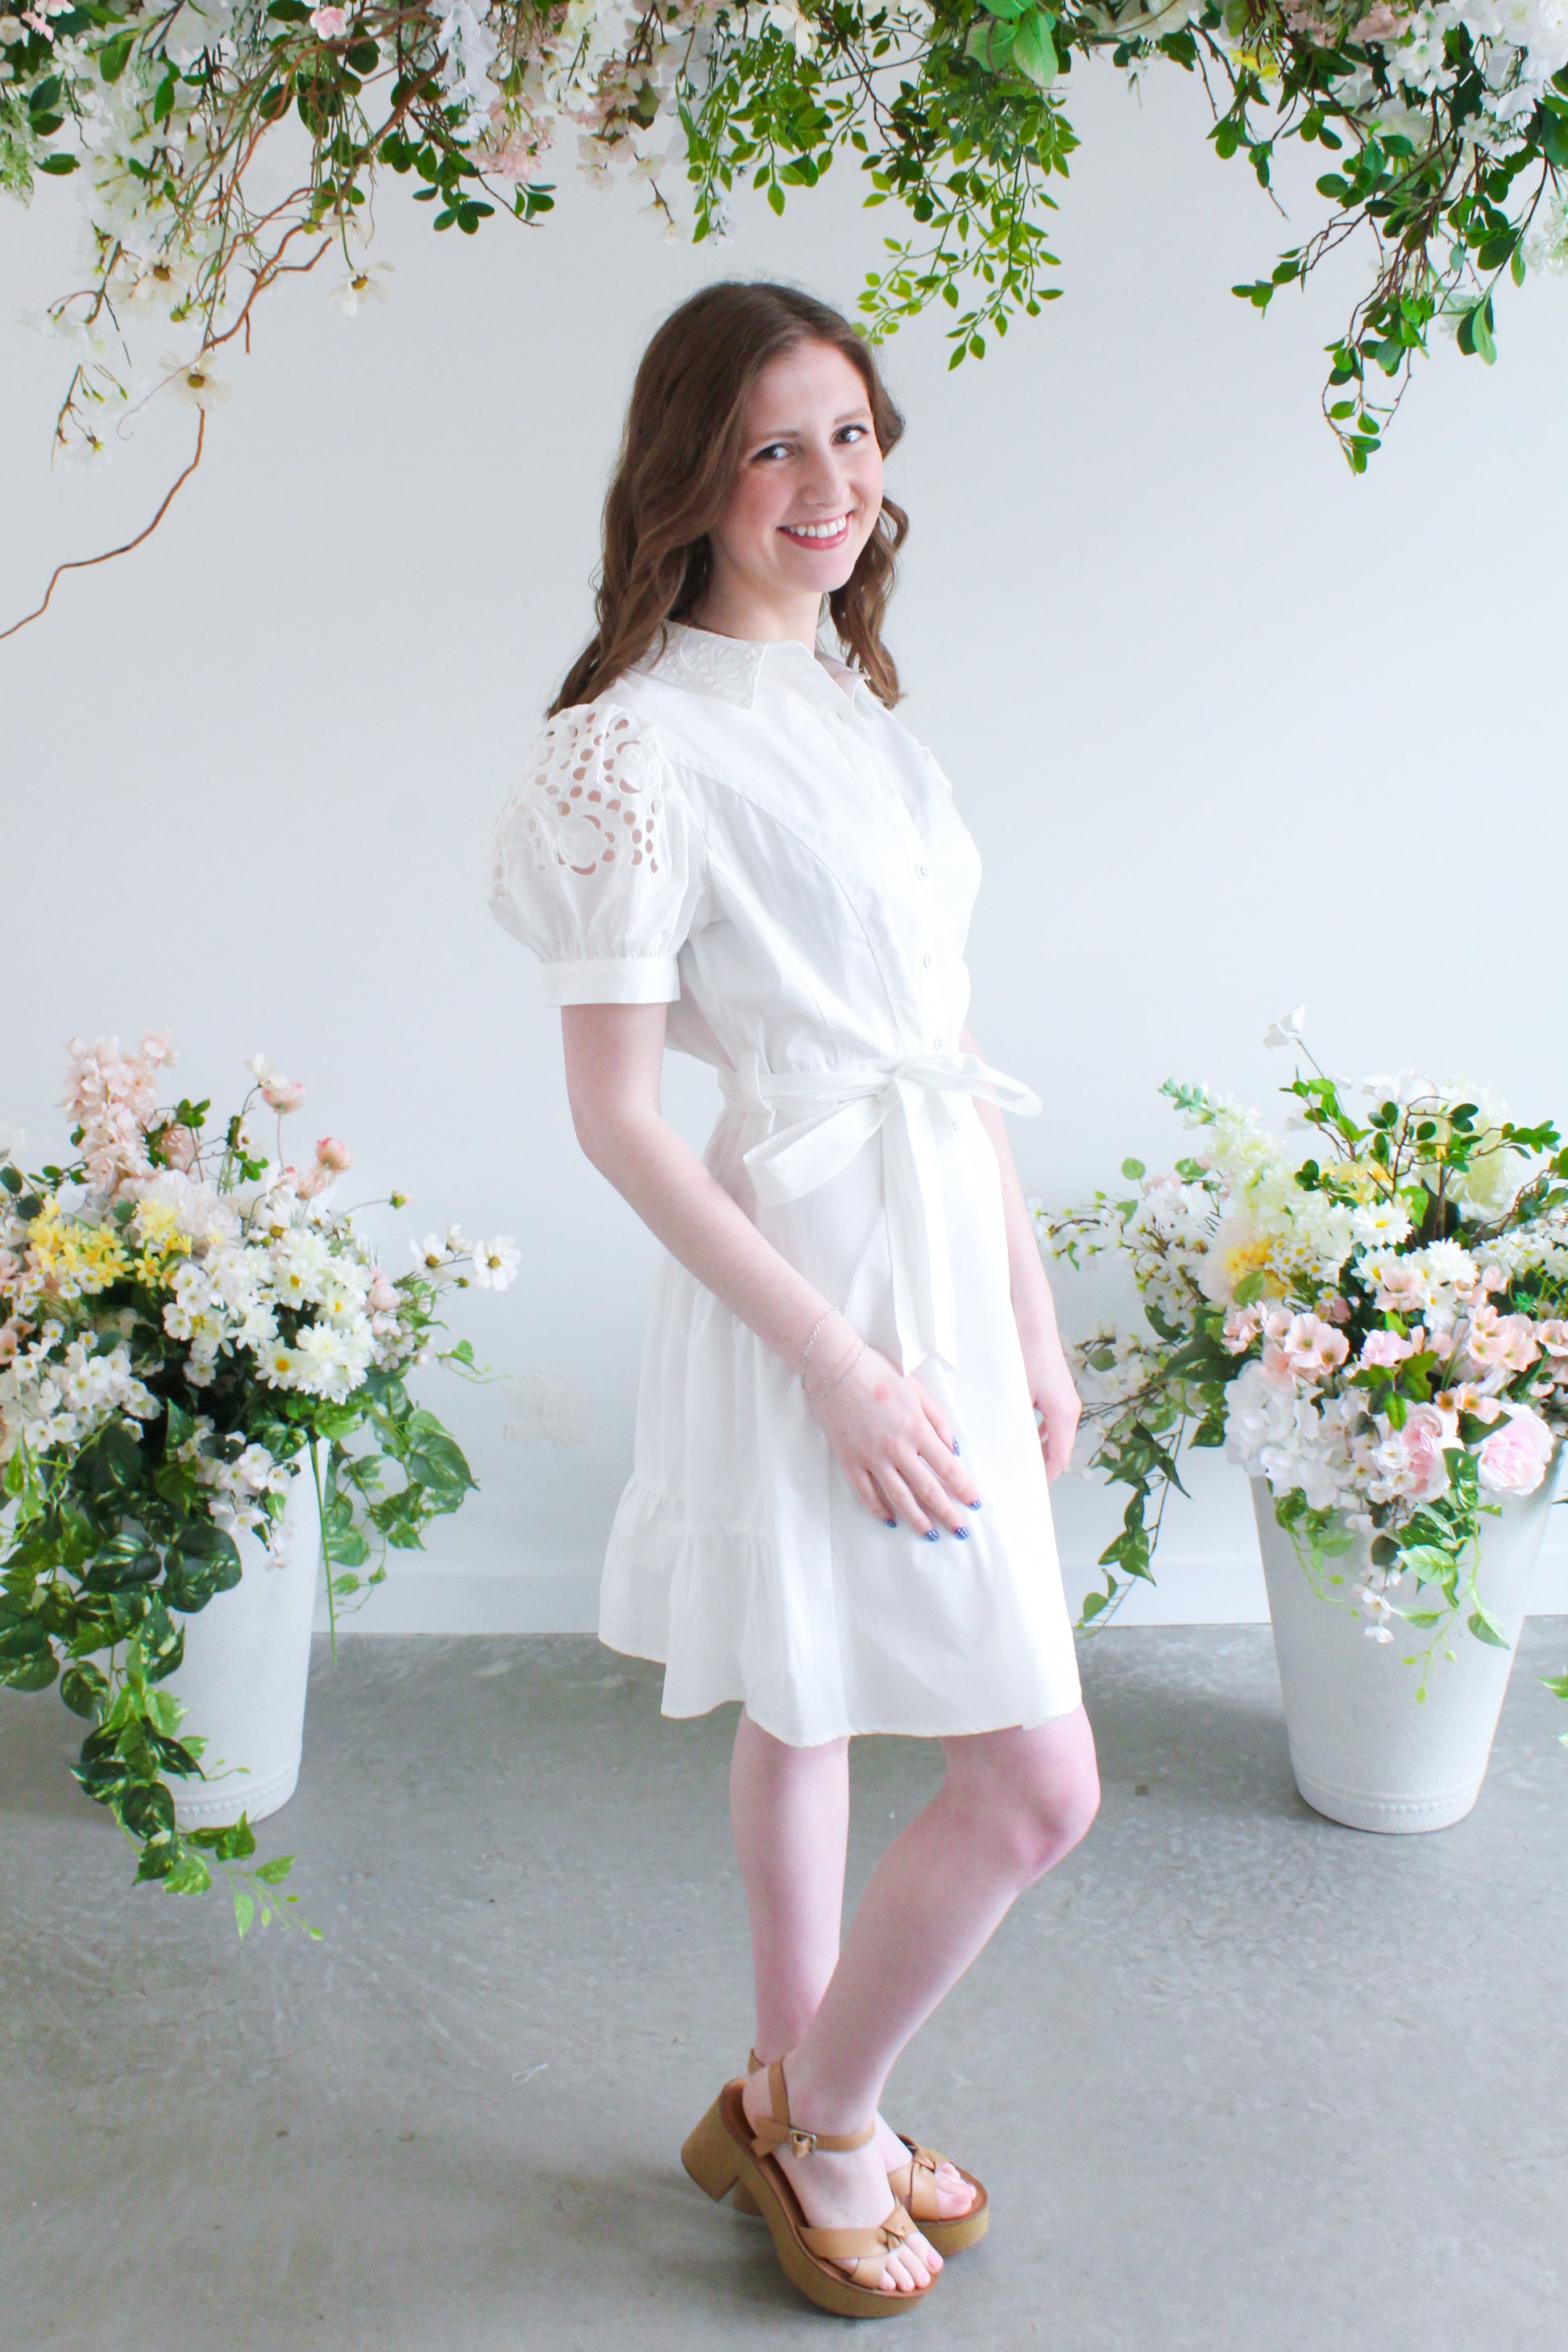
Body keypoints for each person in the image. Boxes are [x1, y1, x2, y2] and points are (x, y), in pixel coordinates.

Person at [488, 279, 1099, 2318]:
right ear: (691, 472)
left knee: (815, 1690)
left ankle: (784, 2075)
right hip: (809, 1285)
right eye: (771, 443)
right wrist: (838, 1363)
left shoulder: (850, 708)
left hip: (935, 1249)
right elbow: (617, 1117)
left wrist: (1027, 1316)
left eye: (849, 431)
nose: (825, 480)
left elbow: (947, 1045)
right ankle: (827, 2113)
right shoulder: (626, 747)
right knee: (1024, 1776)